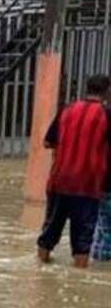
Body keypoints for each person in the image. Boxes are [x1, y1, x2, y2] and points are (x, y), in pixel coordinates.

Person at [37, 74, 111, 269]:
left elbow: (47, 142)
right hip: (88, 185)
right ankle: (79, 277)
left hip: (58, 181)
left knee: (49, 231)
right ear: (107, 91)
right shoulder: (107, 114)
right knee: (82, 240)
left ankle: (39, 269)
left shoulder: (66, 110)